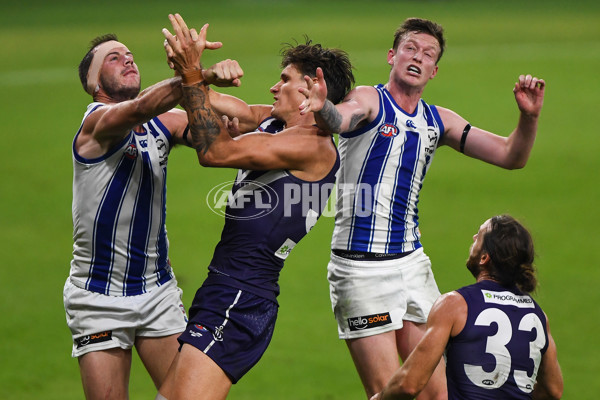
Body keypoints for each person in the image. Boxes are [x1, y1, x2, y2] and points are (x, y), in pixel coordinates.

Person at [299, 17, 546, 399]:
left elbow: (510, 156)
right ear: (392, 55)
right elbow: (340, 118)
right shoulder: (368, 99)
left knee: (436, 394)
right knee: (388, 392)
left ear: (434, 70)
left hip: (412, 265)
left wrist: (528, 118)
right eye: (410, 48)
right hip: (361, 268)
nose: (417, 57)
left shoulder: (438, 121)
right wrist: (323, 108)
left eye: (428, 54)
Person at [155, 14, 355, 399]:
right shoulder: (275, 123)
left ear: (311, 87)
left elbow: (214, 152)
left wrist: (193, 76)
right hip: (223, 289)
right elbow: (208, 100)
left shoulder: (312, 146)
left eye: (285, 80)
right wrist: (198, 70)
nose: (274, 86)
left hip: (241, 298)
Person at [64, 30, 224, 399]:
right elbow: (138, 108)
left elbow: (221, 128)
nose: (128, 59)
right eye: (114, 58)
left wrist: (294, 115)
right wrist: (194, 75)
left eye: (130, 54)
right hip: (97, 297)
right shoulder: (96, 124)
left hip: (157, 291)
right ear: (94, 83)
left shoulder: (161, 121)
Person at [371, 215, 563, 399]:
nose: (473, 237)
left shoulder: (455, 305)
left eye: (479, 236)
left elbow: (409, 385)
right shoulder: (538, 317)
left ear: (484, 258)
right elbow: (553, 390)